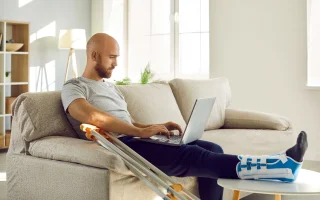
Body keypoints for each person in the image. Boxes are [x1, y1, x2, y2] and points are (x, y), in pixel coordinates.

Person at [61, 33, 308, 200]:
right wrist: (139, 132)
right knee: (193, 155)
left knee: (213, 147)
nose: (115, 63)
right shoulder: (74, 87)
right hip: (122, 145)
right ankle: (278, 166)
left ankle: (276, 165)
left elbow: (127, 121)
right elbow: (91, 116)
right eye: (111, 57)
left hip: (136, 138)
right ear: (94, 56)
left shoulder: (110, 87)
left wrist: (152, 127)